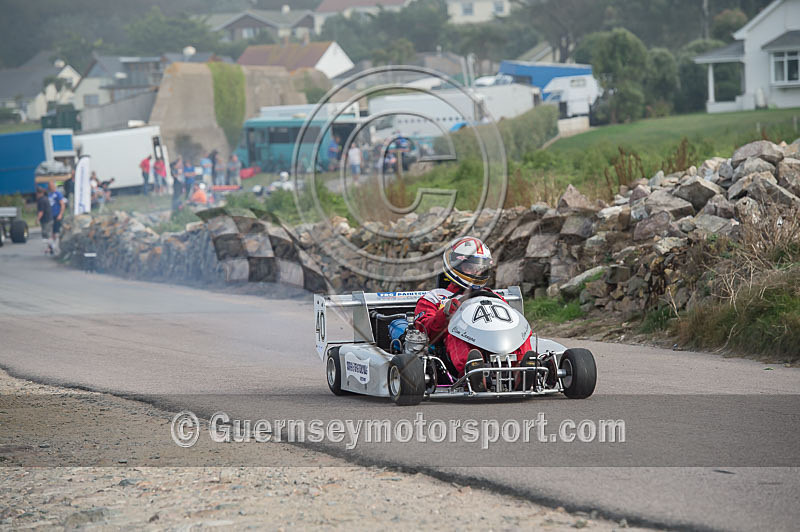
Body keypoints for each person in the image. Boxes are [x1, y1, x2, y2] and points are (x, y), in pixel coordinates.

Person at [414, 236, 536, 392]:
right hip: (453, 346)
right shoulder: (435, 297)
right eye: (469, 268)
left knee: (519, 331)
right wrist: (444, 315)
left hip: (494, 339)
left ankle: (522, 369)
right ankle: (474, 371)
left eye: (479, 268)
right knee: (457, 331)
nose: (476, 272)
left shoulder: (494, 296)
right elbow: (423, 332)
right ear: (455, 265)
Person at [47, 180, 66, 253]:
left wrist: (60, 214)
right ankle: (51, 247)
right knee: (50, 232)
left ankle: (57, 247)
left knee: (56, 232)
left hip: (57, 215)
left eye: (51, 186)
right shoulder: (49, 194)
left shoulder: (58, 194)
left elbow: (62, 204)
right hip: (50, 216)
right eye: (49, 186)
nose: (50, 187)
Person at [36, 187, 54, 254]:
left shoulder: (41, 200)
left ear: (39, 193)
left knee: (46, 235)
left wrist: (37, 219)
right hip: (49, 218)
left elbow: (41, 212)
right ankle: (50, 248)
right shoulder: (45, 198)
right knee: (48, 234)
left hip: (46, 220)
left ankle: (51, 247)